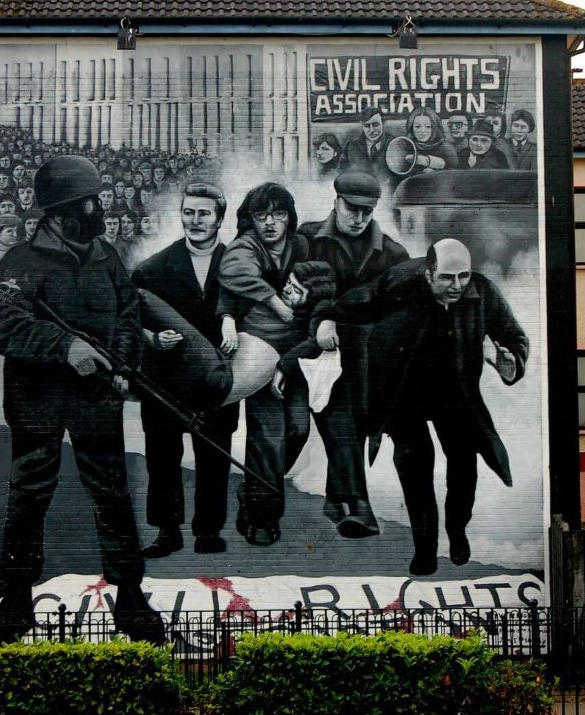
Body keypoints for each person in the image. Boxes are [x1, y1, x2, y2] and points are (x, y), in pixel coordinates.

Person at [0, 155, 163, 644]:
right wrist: (66, 346)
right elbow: (5, 326)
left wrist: (125, 365)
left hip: (95, 399)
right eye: (90, 200)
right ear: (64, 210)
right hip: (37, 401)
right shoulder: (20, 261)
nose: (98, 207)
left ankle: (129, 594)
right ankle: (17, 596)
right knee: (28, 496)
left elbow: (127, 312)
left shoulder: (105, 254)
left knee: (112, 494)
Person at [329, 238, 529, 576]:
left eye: (463, 276)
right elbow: (353, 302)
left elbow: (514, 336)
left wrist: (512, 362)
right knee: (415, 467)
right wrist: (326, 319)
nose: (457, 286)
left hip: (456, 393)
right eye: (447, 278)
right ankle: (425, 549)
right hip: (404, 392)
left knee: (465, 468)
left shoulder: (480, 293)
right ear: (427, 274)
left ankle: (457, 530)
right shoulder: (398, 285)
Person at [132, 183, 239, 557]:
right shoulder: (152, 269)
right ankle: (166, 531)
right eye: (189, 212)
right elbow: (127, 323)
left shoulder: (239, 267)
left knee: (215, 454)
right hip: (165, 380)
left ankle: (208, 531)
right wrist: (151, 339)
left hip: (217, 380)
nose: (195, 220)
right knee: (162, 456)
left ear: (220, 219)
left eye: (204, 213)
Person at [300, 171, 409, 537]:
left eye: (367, 211)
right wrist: (320, 321)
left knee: (355, 421)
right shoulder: (307, 239)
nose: (359, 218)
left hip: (366, 358)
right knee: (340, 420)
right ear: (336, 201)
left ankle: (336, 498)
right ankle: (361, 508)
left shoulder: (393, 254)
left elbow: (400, 314)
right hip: (313, 350)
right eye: (352, 208)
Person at [218, 182, 309, 544]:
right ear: (250, 219)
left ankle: (255, 487)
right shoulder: (245, 247)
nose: (271, 223)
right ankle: (262, 517)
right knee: (268, 439)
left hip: (297, 354)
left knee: (298, 431)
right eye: (262, 215)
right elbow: (233, 276)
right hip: (258, 350)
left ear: (289, 217)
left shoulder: (302, 246)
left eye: (279, 214)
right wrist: (274, 302)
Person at [404, 107, 458, 174]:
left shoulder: (446, 148)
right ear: (411, 127)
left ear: (435, 128)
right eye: (417, 127)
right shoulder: (406, 147)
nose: (422, 131)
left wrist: (437, 174)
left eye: (428, 127)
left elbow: (455, 176)